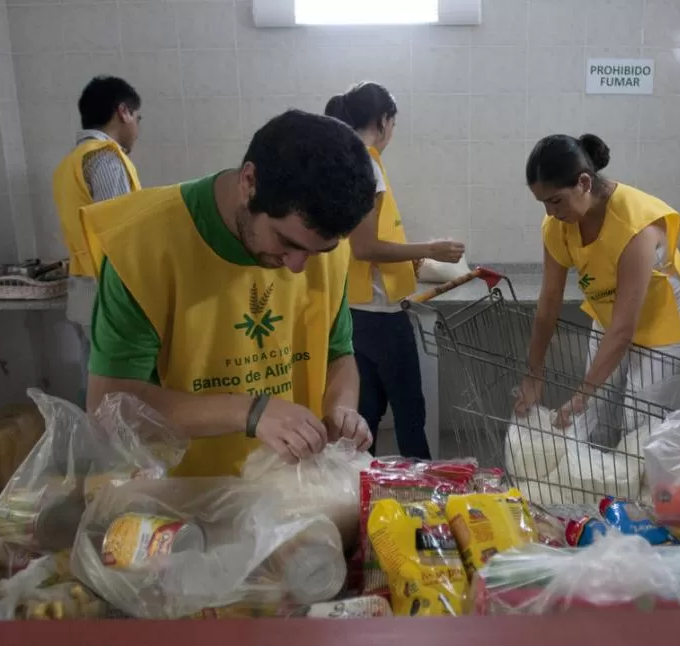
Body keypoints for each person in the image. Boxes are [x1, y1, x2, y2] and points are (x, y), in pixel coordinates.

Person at [81, 109, 378, 477]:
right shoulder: (143, 247)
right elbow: (110, 408)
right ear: (249, 181)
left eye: (318, 252)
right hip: (183, 497)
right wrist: (250, 412)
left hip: (291, 493)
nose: (299, 266)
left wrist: (342, 408)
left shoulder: (322, 249)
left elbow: (339, 353)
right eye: (286, 243)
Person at [513, 134, 680, 443]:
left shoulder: (635, 225)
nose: (549, 212)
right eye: (543, 203)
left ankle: (635, 487)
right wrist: (534, 371)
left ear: (584, 183)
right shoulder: (558, 226)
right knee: (588, 416)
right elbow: (549, 300)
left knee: (638, 420)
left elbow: (624, 330)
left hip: (661, 318)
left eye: (555, 200)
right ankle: (594, 486)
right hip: (610, 310)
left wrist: (581, 395)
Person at [324, 82, 465, 459]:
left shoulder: (344, 160)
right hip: (382, 316)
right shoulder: (367, 165)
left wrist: (408, 258)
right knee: (409, 413)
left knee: (365, 415)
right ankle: (425, 494)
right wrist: (430, 249)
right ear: (384, 120)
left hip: (355, 310)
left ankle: (360, 492)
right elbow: (365, 246)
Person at [52, 76, 142, 402]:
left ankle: (92, 451)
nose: (137, 127)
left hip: (81, 289)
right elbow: (120, 233)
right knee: (116, 393)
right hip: (108, 291)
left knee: (92, 383)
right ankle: (111, 453)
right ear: (123, 112)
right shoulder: (104, 158)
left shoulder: (69, 163)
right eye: (137, 117)